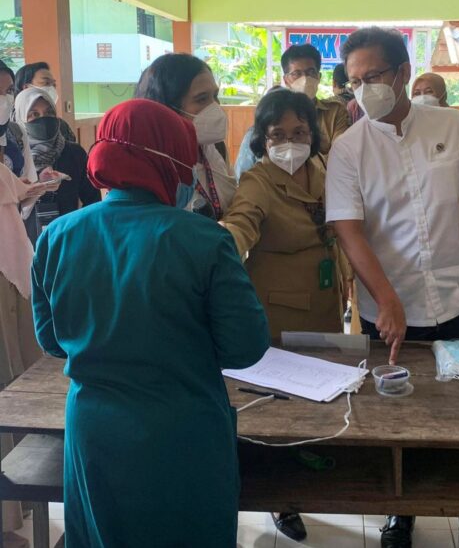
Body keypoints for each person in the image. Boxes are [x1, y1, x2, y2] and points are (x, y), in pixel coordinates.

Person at [30, 99, 270, 547]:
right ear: (172, 162)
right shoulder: (205, 240)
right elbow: (245, 347)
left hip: (94, 431)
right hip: (183, 432)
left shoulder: (57, 236)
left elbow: (53, 341)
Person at [326, 27, 459, 548]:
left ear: (403, 73)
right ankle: (398, 513)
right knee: (393, 411)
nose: (364, 89)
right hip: (386, 304)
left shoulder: (451, 126)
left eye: (374, 76)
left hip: (456, 293)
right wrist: (385, 298)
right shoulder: (348, 148)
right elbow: (348, 228)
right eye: (354, 81)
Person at [221, 88, 343, 542]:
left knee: (320, 393)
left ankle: (310, 473)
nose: (289, 141)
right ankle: (278, 500)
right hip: (277, 306)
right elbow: (240, 223)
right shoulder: (258, 180)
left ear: (313, 133)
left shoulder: (324, 169)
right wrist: (216, 250)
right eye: (277, 134)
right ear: (262, 139)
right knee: (275, 404)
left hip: (327, 298)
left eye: (299, 131)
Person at [0, 164, 51, 548]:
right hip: (5, 282)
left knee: (14, 380)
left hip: (11, 279)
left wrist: (25, 191)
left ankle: (17, 504)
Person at [136, 53, 237, 219]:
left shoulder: (215, 148)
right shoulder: (149, 165)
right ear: (167, 107)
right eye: (202, 99)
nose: (215, 106)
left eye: (215, 96)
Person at [234, 44, 349, 178]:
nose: (305, 79)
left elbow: (341, 157)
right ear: (286, 80)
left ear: (319, 76)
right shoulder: (268, 119)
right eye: (296, 74)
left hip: (325, 189)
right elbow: (243, 175)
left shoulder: (334, 112)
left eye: (311, 72)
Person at [14, 87, 100, 243]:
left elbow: (92, 201)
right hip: (24, 245)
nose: (43, 119)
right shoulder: (15, 158)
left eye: (49, 113)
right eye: (34, 114)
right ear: (20, 119)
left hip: (70, 241)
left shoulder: (74, 153)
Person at [14, 62, 76, 143]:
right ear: (27, 88)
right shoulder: (9, 130)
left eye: (54, 85)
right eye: (46, 83)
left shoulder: (61, 126)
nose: (51, 88)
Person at [0, 61, 36, 183]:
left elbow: (28, 187)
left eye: (9, 90)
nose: (4, 98)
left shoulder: (17, 133)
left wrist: (42, 184)